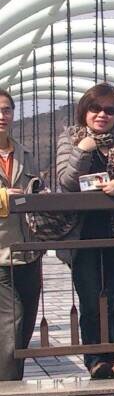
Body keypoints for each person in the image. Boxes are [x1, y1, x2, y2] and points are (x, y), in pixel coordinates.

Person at [56, 84, 114, 379]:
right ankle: (95, 358)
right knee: (89, 297)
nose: (102, 115)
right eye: (95, 109)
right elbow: (66, 181)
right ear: (84, 111)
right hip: (83, 231)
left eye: (109, 110)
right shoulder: (71, 138)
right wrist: (82, 151)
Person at [0, 90, 43, 381]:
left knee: (25, 321)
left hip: (29, 250)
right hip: (1, 253)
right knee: (10, 320)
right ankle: (8, 388)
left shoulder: (25, 154)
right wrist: (5, 197)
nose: (1, 116)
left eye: (6, 109)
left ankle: (14, 380)